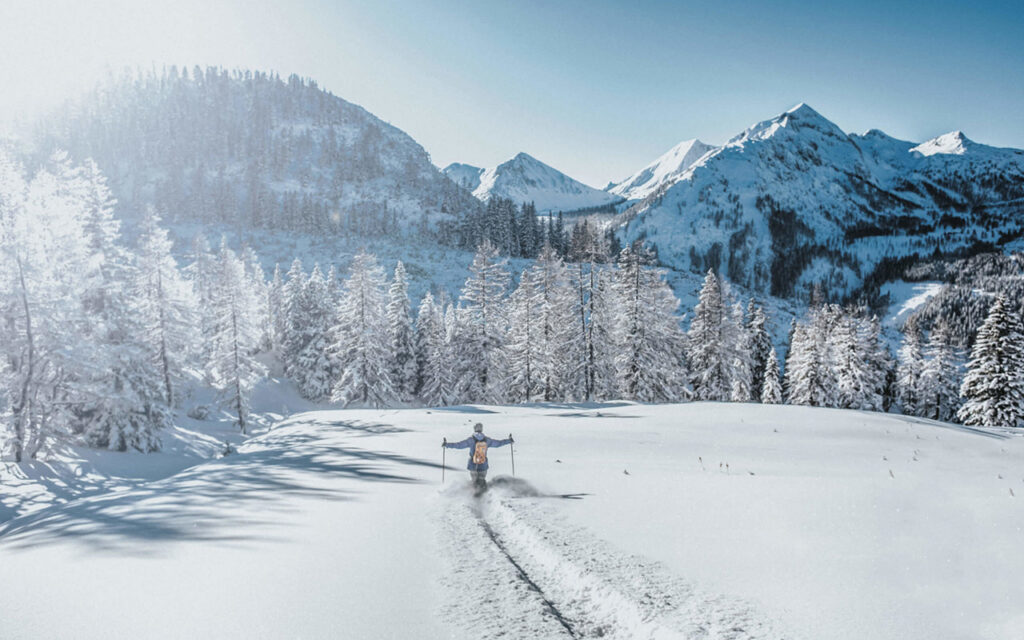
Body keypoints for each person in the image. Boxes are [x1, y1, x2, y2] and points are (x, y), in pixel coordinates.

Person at [443, 423, 513, 492]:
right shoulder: (487, 440)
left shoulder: (471, 440)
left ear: (474, 429)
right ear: (481, 429)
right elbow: (498, 443)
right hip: (483, 463)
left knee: (474, 480)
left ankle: (474, 495)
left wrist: (447, 445)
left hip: (473, 464)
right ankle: (484, 493)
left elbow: (459, 445)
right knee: (482, 479)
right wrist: (508, 441)